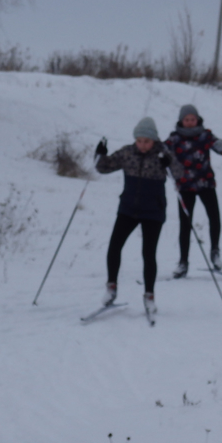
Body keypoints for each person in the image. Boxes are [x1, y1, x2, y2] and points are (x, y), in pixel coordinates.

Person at [95, 117, 183, 316]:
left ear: (154, 140)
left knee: (148, 254)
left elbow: (179, 173)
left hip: (153, 211)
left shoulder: (162, 154)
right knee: (114, 246)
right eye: (139, 140)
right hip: (128, 209)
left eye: (147, 141)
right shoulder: (128, 152)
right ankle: (111, 288)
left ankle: (149, 296)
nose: (143, 145)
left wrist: (169, 163)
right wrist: (100, 153)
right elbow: (103, 168)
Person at [164, 104, 222, 278]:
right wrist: (163, 159)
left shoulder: (205, 135)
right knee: (185, 225)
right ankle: (183, 262)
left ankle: (215, 251)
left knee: (214, 217)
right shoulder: (174, 138)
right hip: (185, 187)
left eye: (192, 119)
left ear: (197, 119)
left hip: (206, 184)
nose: (190, 122)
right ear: (181, 120)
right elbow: (161, 152)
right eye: (186, 120)